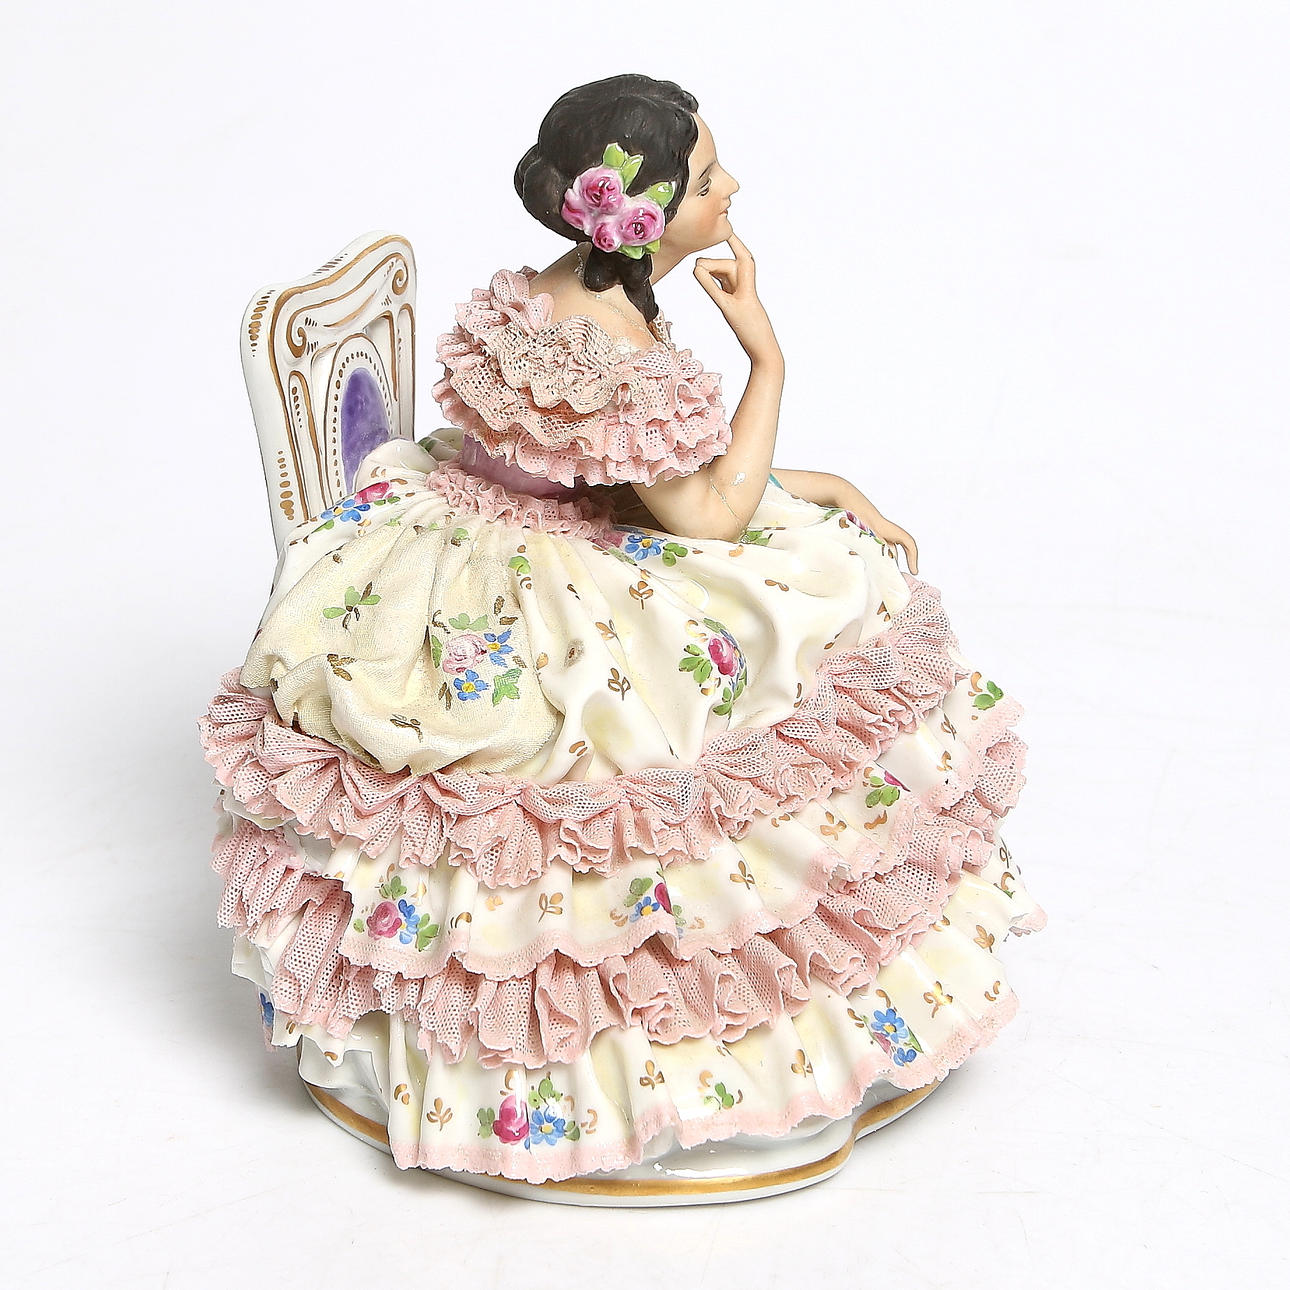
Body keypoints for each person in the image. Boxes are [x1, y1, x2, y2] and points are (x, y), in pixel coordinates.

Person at [198, 73, 1045, 1204]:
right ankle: (644, 1044)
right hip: (529, 578)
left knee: (811, 566)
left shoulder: (554, 296)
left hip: (494, 520)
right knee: (780, 634)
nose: (731, 187)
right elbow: (708, 515)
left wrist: (821, 482)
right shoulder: (612, 348)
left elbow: (642, 477)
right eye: (707, 178)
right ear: (638, 214)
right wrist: (767, 359)